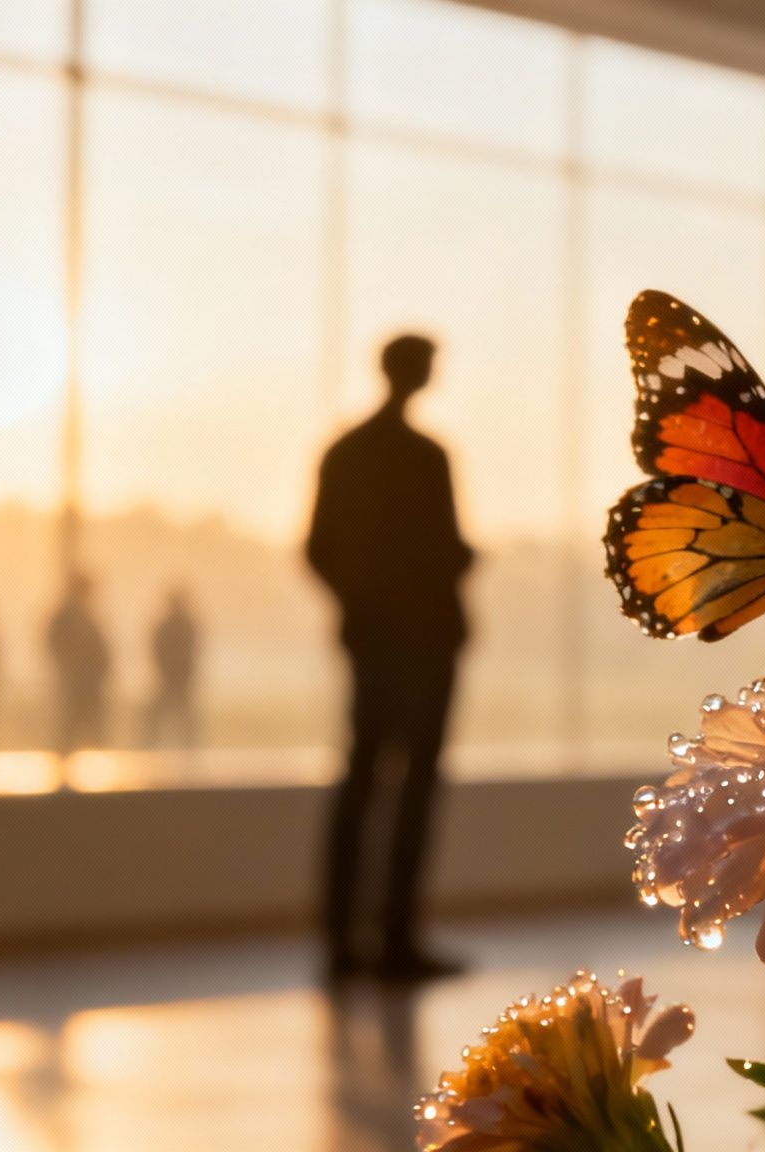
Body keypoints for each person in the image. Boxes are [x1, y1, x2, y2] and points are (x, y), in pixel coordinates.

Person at [307, 334, 473, 984]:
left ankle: (348, 942)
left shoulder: (348, 453)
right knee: (408, 788)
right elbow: (444, 549)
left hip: (382, 637)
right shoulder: (423, 456)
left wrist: (364, 602)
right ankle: (392, 939)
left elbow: (320, 549)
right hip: (420, 639)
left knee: (365, 780)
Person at [47, 572, 112, 755]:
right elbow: (55, 645)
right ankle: (65, 775)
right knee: (70, 731)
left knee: (92, 731)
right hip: (74, 684)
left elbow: (100, 650)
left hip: (90, 684)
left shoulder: (88, 617)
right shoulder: (64, 616)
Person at [142, 585, 201, 748]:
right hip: (173, 676)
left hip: (177, 676)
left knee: (178, 713)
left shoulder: (181, 624)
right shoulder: (181, 624)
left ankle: (184, 745)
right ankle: (155, 744)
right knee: (176, 712)